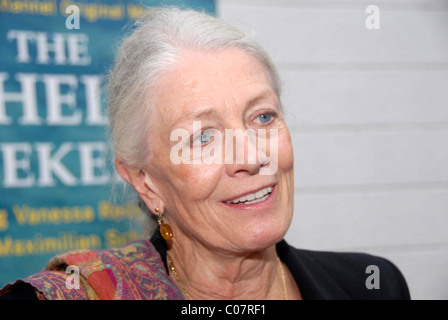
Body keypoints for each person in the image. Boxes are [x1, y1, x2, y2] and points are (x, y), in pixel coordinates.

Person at [0, 7, 410, 300]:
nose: (251, 156)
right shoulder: (75, 294)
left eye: (263, 117)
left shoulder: (373, 285)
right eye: (202, 138)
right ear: (145, 182)